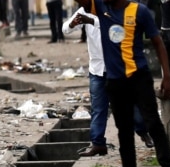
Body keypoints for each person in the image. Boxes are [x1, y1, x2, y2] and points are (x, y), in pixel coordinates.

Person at [33, 0, 170, 167]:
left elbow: (158, 43)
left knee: (152, 122)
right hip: (114, 81)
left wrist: (167, 76)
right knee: (124, 134)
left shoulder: (139, 12)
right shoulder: (99, 8)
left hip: (138, 77)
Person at [65, 9, 154, 157]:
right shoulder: (84, 11)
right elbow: (65, 29)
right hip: (97, 70)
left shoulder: (116, 9)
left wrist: (91, 21)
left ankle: (143, 131)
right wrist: (72, 23)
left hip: (118, 69)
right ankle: (98, 144)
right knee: (98, 109)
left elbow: (116, 26)